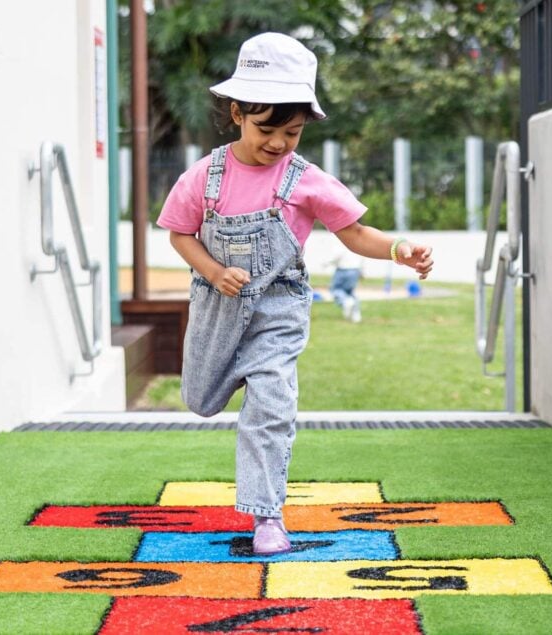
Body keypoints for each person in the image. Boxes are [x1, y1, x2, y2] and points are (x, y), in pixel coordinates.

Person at [157, 32, 432, 555]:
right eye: (267, 129)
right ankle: (242, 375)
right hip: (217, 305)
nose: (279, 143)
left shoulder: (306, 181)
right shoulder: (204, 178)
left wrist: (399, 248)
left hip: (276, 310)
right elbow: (179, 233)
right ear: (237, 112)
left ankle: (267, 518)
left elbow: (353, 233)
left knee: (272, 404)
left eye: (293, 132)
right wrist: (214, 271)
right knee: (199, 400)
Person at [327, 246, 364, 323]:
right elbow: (361, 258)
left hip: (343, 270)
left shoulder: (342, 241)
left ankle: (345, 301)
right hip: (355, 270)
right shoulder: (357, 242)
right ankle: (356, 315)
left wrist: (327, 263)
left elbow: (337, 256)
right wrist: (361, 272)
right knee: (349, 292)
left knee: (336, 289)